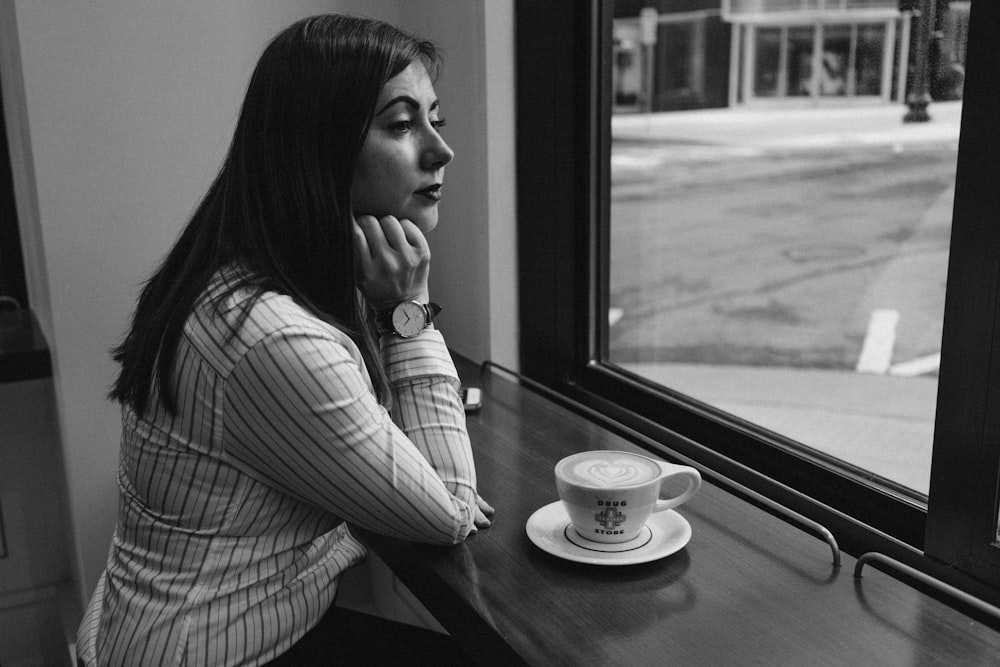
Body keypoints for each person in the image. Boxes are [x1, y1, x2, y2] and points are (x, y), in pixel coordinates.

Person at [77, 14, 492, 666]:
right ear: (320, 148)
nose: (441, 150)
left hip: (164, 625)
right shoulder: (274, 335)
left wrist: (404, 480)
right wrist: (410, 310)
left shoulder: (239, 271)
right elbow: (452, 513)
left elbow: (363, 442)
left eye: (436, 120)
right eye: (403, 124)